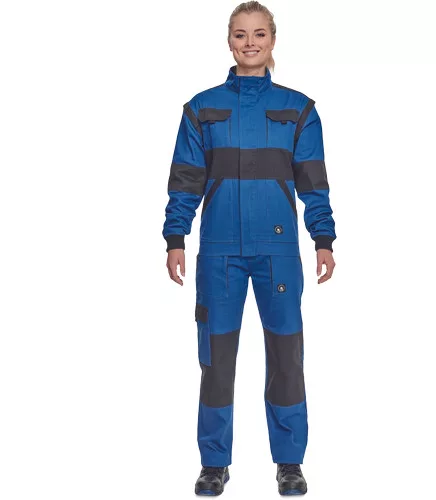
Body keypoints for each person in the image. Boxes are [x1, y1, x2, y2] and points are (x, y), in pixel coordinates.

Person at [162, 1, 336, 495]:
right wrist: (175, 237)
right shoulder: (201, 109)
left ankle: (290, 461)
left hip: (278, 253)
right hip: (219, 253)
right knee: (216, 360)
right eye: (241, 34)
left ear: (273, 40)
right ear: (229, 42)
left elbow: (313, 182)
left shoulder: (299, 109)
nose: (250, 42)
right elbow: (185, 180)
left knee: (286, 357)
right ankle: (214, 462)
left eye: (259, 34)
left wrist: (323, 238)